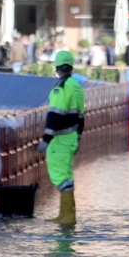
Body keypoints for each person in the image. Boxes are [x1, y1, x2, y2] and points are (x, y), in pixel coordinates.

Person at [38, 50, 85, 225]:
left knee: (59, 176)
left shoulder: (61, 88)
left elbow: (55, 115)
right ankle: (65, 215)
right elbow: (81, 116)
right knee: (66, 174)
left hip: (60, 139)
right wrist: (78, 137)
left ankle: (68, 216)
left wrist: (46, 139)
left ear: (57, 67)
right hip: (71, 137)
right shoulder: (77, 87)